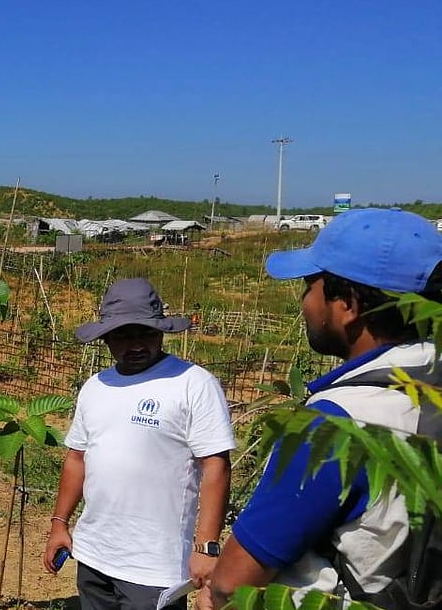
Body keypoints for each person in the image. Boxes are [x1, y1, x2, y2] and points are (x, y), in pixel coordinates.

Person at [204, 208, 442, 607]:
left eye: (309, 285)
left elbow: (235, 581)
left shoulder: (337, 423)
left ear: (347, 304)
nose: (304, 301)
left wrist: (215, 592)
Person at [43, 278, 235, 610]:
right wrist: (59, 523)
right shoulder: (96, 386)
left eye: (146, 333)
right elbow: (77, 459)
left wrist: (206, 547)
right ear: (105, 338)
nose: (135, 345)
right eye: (122, 335)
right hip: (93, 554)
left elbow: (215, 465)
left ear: (161, 331)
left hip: (154, 566)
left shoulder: (192, 384)